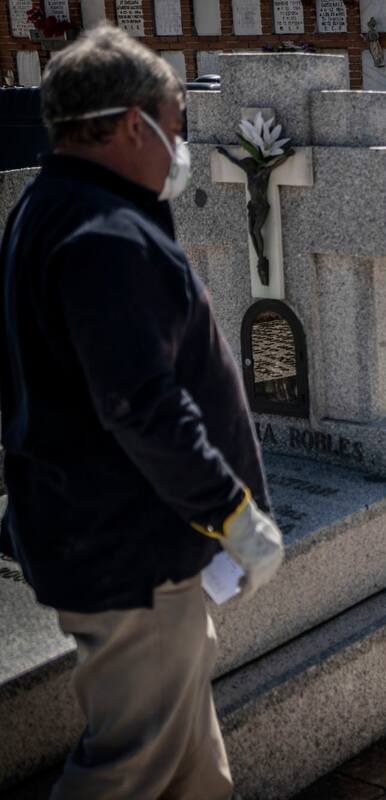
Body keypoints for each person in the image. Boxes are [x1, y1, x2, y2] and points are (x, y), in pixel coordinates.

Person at [0, 27, 284, 798]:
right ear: (134, 124)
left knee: (193, 767)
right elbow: (140, 403)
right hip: (131, 548)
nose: (179, 148)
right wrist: (230, 511)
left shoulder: (53, 206)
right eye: (176, 127)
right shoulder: (105, 234)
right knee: (128, 769)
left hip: (107, 535)